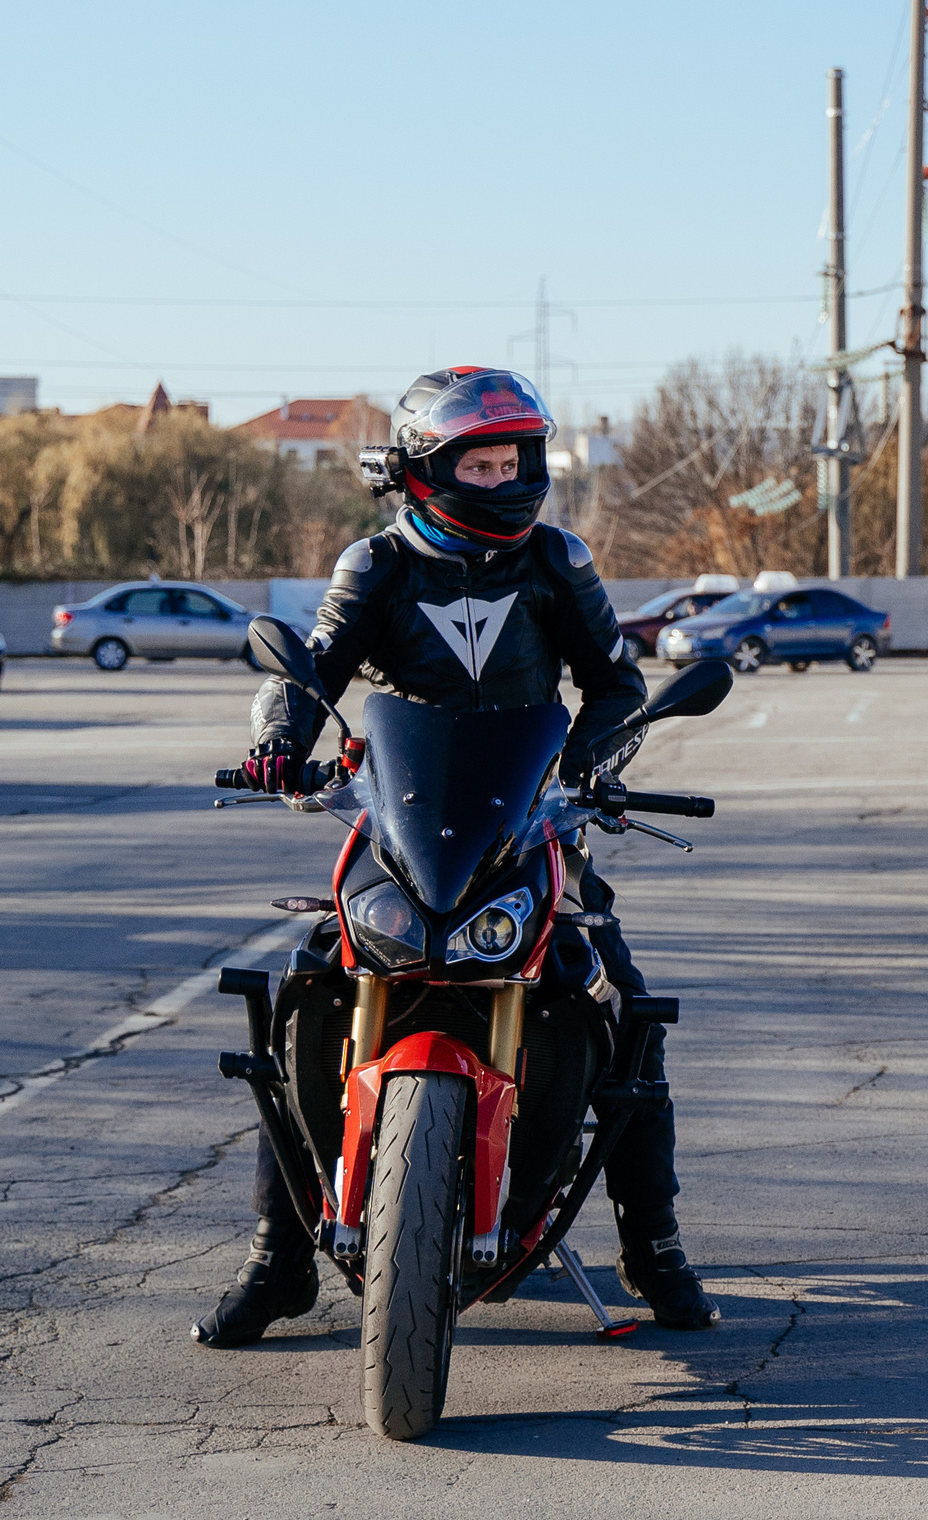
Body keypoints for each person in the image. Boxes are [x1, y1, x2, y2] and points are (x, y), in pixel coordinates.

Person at [193, 366, 719, 1346]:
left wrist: (589, 767)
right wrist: (279, 742)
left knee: (622, 1008)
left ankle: (653, 1248)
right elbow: (310, 671)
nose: (506, 476)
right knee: (306, 999)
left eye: (516, 457)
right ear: (425, 469)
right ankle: (279, 1255)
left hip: (531, 821)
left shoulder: (557, 560)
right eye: (480, 461)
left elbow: (613, 685)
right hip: (397, 825)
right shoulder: (378, 565)